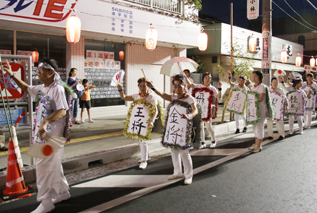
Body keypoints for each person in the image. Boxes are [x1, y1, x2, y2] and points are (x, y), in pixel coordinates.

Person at [3, 59, 70, 213]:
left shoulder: (57, 89)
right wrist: (12, 76)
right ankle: (62, 192)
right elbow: (26, 88)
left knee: (42, 165)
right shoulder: (42, 87)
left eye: (40, 69)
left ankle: (46, 201)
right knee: (54, 163)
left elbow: (62, 110)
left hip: (51, 133)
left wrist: (45, 122)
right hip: (45, 132)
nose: (38, 72)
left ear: (50, 72)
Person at [146, 74, 198, 185]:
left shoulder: (190, 98)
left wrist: (189, 116)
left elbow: (195, 110)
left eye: (180, 86)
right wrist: (152, 87)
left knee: (184, 152)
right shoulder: (174, 97)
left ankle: (189, 175)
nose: (177, 88)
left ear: (184, 86)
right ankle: (177, 172)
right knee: (174, 151)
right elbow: (163, 95)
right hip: (174, 128)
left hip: (184, 129)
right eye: (175, 86)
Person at [117, 78, 157, 169]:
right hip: (138, 121)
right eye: (140, 86)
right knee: (140, 139)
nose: (142, 88)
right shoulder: (136, 96)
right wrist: (120, 89)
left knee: (143, 140)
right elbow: (124, 97)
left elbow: (156, 111)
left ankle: (144, 161)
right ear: (138, 87)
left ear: (148, 87)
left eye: (144, 86)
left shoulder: (151, 97)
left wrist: (152, 121)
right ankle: (146, 156)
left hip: (147, 122)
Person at [185, 72, 221, 148]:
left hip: (208, 110)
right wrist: (185, 77)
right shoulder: (199, 86)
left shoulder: (212, 88)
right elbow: (191, 84)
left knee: (208, 127)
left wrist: (220, 88)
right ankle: (203, 142)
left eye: (209, 78)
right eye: (206, 78)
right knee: (200, 127)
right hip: (200, 110)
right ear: (203, 79)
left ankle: (213, 140)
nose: (208, 80)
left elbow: (218, 96)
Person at [248, 71, 268, 153]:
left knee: (260, 126)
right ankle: (256, 144)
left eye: (255, 76)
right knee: (255, 126)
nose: (253, 78)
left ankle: (259, 145)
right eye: (252, 76)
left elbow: (260, 98)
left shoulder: (262, 86)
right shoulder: (253, 86)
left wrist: (252, 100)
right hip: (254, 109)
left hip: (260, 108)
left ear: (259, 77)